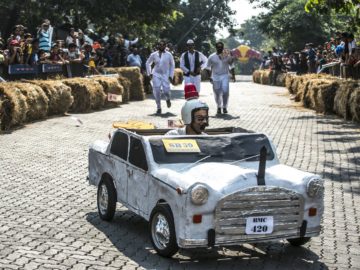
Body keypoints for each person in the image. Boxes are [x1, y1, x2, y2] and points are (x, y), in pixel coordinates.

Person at [205, 41, 236, 114]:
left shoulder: (227, 55)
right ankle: (219, 106)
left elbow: (232, 66)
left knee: (225, 91)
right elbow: (208, 67)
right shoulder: (212, 57)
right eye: (218, 47)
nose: (220, 48)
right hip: (215, 76)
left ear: (223, 47)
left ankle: (224, 107)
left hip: (225, 75)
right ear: (216, 48)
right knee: (217, 93)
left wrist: (233, 76)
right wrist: (210, 77)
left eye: (221, 47)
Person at [146, 40, 175, 114]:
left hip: (165, 74)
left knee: (166, 91)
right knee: (157, 91)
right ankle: (159, 107)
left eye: (163, 45)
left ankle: (168, 99)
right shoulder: (153, 54)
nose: (161, 46)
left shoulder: (169, 55)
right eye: (160, 45)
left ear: (165, 46)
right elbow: (148, 63)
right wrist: (149, 73)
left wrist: (171, 75)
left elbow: (172, 65)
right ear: (158, 46)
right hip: (156, 74)